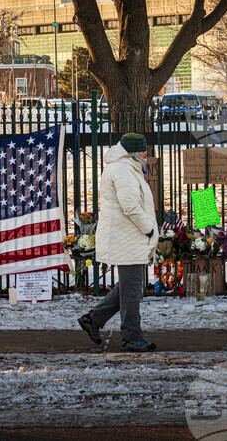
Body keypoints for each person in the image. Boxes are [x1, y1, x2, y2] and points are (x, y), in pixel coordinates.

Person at [79, 132, 159, 352]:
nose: (146, 153)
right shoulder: (123, 170)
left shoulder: (126, 167)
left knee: (128, 286)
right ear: (134, 152)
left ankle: (93, 319)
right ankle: (131, 336)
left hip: (127, 236)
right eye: (143, 150)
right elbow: (130, 206)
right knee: (132, 290)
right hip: (129, 236)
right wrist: (150, 230)